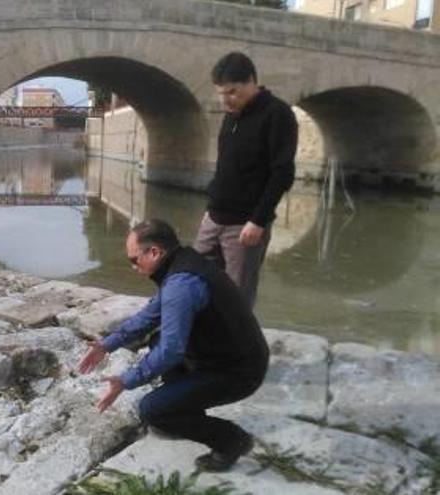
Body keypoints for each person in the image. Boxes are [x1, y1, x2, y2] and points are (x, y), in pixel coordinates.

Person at [77, 219, 269, 472]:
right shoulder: (183, 265)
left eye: (134, 260)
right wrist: (106, 345)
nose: (134, 267)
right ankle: (187, 411)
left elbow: (171, 351)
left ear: (155, 252)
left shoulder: (181, 285)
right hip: (228, 355)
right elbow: (148, 317)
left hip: (240, 372)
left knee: (152, 410)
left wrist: (125, 381)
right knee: (157, 339)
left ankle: (231, 440)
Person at [195, 52, 297, 308]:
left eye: (232, 92)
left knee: (237, 296)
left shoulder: (278, 114)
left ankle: (236, 346)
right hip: (214, 218)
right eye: (221, 93)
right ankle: (206, 338)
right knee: (194, 278)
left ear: (252, 81)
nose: (225, 99)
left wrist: (258, 220)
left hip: (245, 227)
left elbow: (282, 173)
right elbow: (225, 166)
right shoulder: (231, 115)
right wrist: (210, 209)